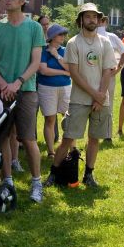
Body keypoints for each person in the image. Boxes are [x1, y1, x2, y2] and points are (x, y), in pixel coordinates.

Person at [0, 0, 46, 201]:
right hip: (3, 91)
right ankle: (8, 181)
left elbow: (36, 61)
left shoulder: (34, 28)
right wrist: (3, 84)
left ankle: (37, 183)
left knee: (28, 138)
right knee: (3, 137)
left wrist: (17, 83)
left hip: (26, 90)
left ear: (22, 1)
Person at [45, 5, 116, 188]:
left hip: (101, 100)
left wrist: (100, 97)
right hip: (79, 99)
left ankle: (89, 175)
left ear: (99, 20)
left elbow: (108, 71)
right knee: (68, 138)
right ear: (81, 20)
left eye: (95, 16)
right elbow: (74, 74)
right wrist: (96, 95)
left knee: (94, 138)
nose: (92, 19)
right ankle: (53, 173)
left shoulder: (105, 42)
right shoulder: (73, 43)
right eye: (88, 16)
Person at [37, 23, 71, 159]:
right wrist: (64, 72)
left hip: (65, 88)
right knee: (50, 119)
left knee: (68, 118)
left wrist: (56, 55)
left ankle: (70, 148)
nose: (63, 36)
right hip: (47, 88)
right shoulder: (43, 51)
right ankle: (51, 151)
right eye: (60, 34)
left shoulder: (65, 50)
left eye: (64, 34)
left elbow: (71, 69)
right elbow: (43, 70)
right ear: (52, 37)